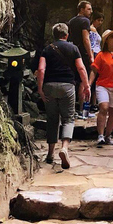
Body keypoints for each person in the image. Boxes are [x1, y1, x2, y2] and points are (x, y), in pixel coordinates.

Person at [37, 23, 91, 169]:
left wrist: (40, 89)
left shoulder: (47, 49)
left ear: (54, 35)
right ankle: (64, 148)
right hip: (67, 86)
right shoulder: (73, 48)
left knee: (52, 120)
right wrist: (86, 86)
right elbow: (80, 67)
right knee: (68, 119)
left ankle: (49, 154)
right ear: (66, 35)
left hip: (49, 86)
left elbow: (41, 70)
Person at [90, 30, 113, 145]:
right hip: (102, 85)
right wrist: (88, 84)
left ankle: (108, 135)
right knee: (104, 107)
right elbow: (94, 71)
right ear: (106, 41)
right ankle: (100, 135)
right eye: (111, 37)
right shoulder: (101, 55)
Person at [68, 2, 95, 118]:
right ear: (82, 9)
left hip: (72, 52)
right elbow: (86, 39)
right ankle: (82, 110)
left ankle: (72, 109)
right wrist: (90, 55)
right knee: (83, 81)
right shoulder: (85, 21)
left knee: (73, 80)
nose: (91, 11)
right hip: (82, 54)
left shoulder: (72, 21)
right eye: (88, 9)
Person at [88, 12, 105, 115]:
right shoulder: (92, 29)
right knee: (93, 80)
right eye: (98, 20)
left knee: (95, 81)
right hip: (95, 54)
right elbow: (92, 44)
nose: (100, 22)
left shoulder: (95, 29)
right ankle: (91, 103)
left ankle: (93, 103)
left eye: (101, 20)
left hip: (97, 54)